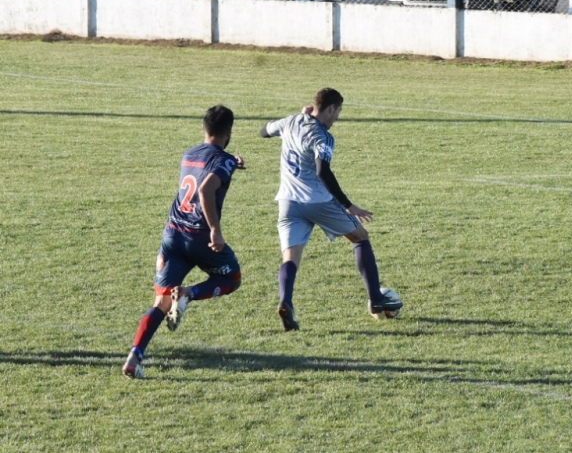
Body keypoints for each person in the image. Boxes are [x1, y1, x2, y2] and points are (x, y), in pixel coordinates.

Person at [260, 87, 402, 331]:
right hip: (318, 202)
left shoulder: (291, 121)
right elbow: (322, 171)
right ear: (330, 108)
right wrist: (349, 205)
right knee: (360, 238)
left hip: (287, 203)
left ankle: (286, 301)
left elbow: (263, 131)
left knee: (290, 257)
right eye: (338, 112)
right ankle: (376, 300)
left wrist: (297, 117)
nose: (337, 117)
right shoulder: (323, 137)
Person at [122, 105, 246, 379]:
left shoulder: (189, 154)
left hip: (173, 235)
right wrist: (215, 230)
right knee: (232, 279)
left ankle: (135, 356)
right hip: (200, 237)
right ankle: (189, 293)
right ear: (229, 132)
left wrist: (230, 163)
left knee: (161, 302)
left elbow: (206, 170)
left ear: (203, 128)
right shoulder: (223, 161)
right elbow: (205, 189)